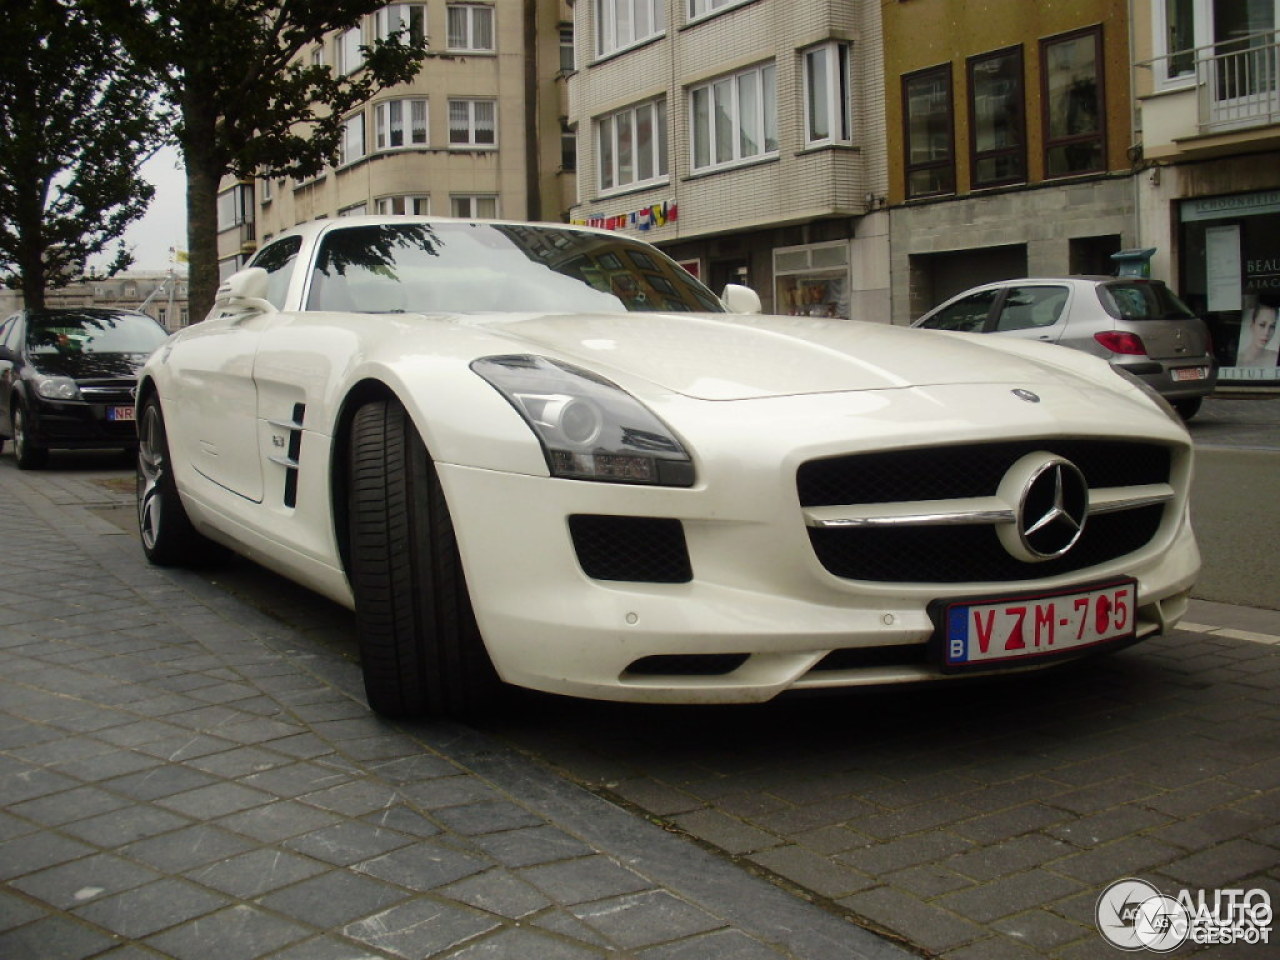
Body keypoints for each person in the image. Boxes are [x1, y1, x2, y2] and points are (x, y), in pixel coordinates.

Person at [1236, 294, 1279, 368]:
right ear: (1252, 326)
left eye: (1272, 327)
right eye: (1262, 325)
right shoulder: (1239, 360)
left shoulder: (1275, 357)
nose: (1266, 333)